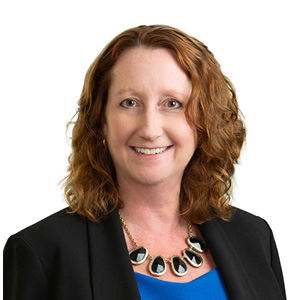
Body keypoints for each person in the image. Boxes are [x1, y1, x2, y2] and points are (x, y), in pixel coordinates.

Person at [3, 25, 286, 300]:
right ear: (102, 120)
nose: (150, 129)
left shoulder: (255, 237)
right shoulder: (42, 252)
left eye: (172, 103)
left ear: (203, 121)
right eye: (129, 103)